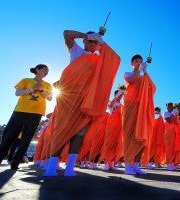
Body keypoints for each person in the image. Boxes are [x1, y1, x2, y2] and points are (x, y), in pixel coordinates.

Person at [43, 29, 120, 177]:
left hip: (86, 100)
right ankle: (52, 165)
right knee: (60, 128)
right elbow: (66, 33)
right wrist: (87, 35)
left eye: (95, 42)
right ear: (84, 41)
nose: (93, 44)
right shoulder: (76, 51)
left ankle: (70, 167)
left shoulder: (98, 60)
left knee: (79, 133)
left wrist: (102, 45)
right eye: (91, 41)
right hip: (69, 98)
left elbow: (114, 60)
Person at [0, 64, 52, 170]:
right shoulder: (26, 80)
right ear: (37, 70)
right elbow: (18, 93)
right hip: (20, 111)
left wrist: (41, 90)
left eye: (48, 70)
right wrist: (32, 89)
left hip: (36, 113)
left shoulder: (48, 85)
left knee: (26, 139)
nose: (47, 71)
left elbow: (49, 98)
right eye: (45, 69)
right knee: (8, 137)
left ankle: (15, 163)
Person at [122, 54, 156, 175]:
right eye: (136, 61)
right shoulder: (128, 73)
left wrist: (145, 73)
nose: (138, 63)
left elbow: (152, 88)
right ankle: (127, 165)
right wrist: (140, 70)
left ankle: (136, 166)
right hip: (130, 107)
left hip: (141, 109)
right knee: (129, 136)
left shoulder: (143, 77)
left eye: (140, 61)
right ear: (132, 63)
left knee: (139, 136)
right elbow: (130, 80)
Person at [101, 89, 125, 171]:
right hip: (111, 123)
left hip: (119, 125)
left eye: (121, 95)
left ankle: (113, 163)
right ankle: (107, 163)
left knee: (116, 144)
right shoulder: (112, 102)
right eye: (119, 95)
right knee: (109, 143)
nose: (120, 96)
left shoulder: (122, 104)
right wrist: (117, 95)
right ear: (115, 95)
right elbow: (110, 106)